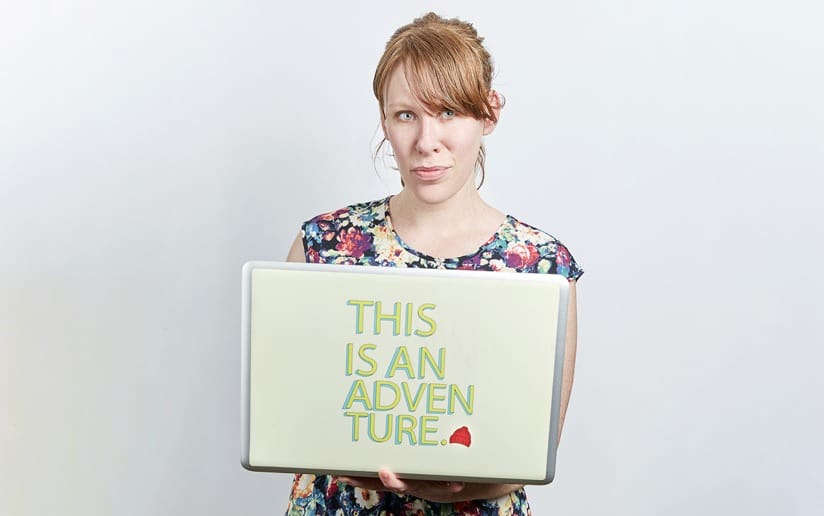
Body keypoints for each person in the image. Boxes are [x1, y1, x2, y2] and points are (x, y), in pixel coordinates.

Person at [283, 12, 582, 516]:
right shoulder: (324, 246)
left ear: (489, 114)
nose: (426, 141)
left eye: (447, 112)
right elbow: (289, 416)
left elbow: (535, 452)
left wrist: (455, 488)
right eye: (406, 115)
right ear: (384, 119)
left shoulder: (542, 267)